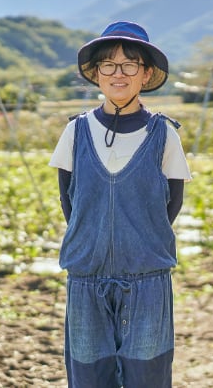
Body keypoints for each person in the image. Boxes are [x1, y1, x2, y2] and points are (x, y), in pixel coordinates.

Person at [49, 21, 191, 388]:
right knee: (89, 377)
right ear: (97, 74)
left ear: (145, 74)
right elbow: (70, 201)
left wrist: (136, 242)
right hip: (87, 278)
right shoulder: (75, 131)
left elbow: (171, 205)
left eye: (130, 65)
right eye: (109, 65)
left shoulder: (164, 135)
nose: (119, 73)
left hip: (147, 280)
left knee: (148, 376)